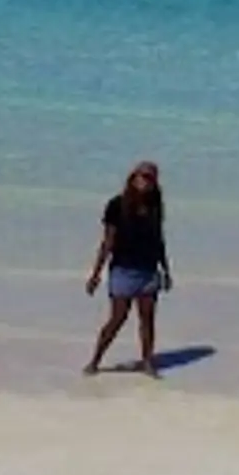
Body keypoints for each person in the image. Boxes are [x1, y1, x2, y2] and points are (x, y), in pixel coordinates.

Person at [84, 160, 170, 376]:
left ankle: (148, 362)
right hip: (123, 270)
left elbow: (159, 240)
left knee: (147, 320)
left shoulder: (155, 206)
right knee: (118, 318)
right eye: (140, 176)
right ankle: (95, 361)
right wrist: (96, 274)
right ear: (132, 179)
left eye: (149, 178)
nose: (144, 181)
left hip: (149, 270)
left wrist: (166, 270)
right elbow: (108, 242)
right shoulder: (117, 205)